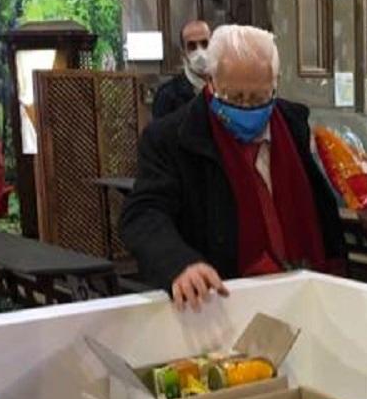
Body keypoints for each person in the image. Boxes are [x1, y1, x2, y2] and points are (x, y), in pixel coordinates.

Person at [121, 24, 346, 309]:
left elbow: (321, 207)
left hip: (302, 291)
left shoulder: (293, 124)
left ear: (274, 83)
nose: (248, 107)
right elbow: (143, 213)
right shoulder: (172, 138)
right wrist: (179, 264)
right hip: (222, 300)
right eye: (235, 97)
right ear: (211, 83)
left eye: (259, 98)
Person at [151, 20, 212, 119]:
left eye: (205, 44)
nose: (200, 52)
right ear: (183, 53)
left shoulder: (225, 88)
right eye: (192, 46)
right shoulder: (167, 95)